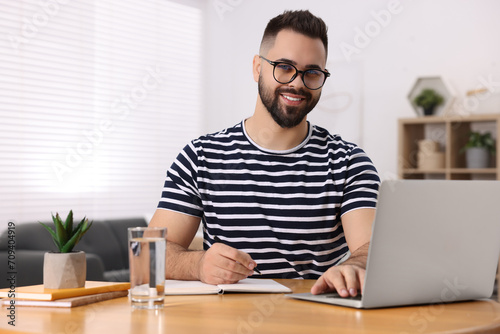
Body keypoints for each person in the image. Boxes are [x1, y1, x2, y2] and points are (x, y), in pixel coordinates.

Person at [150, 9, 380, 298]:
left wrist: (355, 266)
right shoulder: (200, 156)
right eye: (284, 66)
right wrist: (197, 265)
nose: (297, 83)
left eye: (312, 72)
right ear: (257, 67)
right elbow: (149, 254)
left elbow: (371, 249)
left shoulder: (349, 163)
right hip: (222, 321)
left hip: (317, 318)